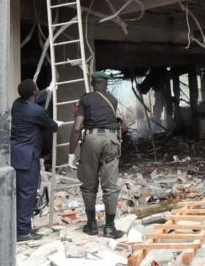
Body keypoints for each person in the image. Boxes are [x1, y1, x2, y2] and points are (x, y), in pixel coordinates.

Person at [68, 71, 128, 238]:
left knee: (89, 185)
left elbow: (77, 127)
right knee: (110, 186)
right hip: (111, 140)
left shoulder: (85, 99)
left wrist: (71, 153)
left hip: (92, 139)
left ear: (92, 83)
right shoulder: (113, 100)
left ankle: (92, 225)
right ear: (106, 84)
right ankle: (109, 227)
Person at [10, 79, 61, 242]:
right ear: (33, 93)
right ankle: (23, 231)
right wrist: (57, 124)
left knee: (19, 193)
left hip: (16, 154)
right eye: (37, 89)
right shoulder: (36, 112)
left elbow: (33, 102)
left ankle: (19, 226)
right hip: (28, 157)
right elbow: (51, 126)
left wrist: (46, 90)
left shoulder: (16, 105)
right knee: (27, 193)